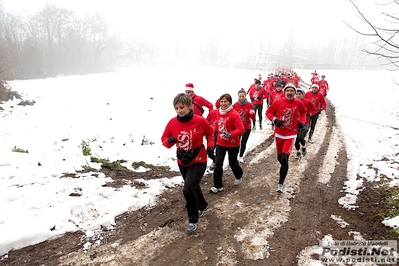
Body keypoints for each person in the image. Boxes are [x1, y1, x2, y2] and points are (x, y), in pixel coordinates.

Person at [161, 93, 215, 233]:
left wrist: (210, 146)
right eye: (176, 108)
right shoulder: (172, 122)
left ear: (190, 106)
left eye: (182, 107)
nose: (179, 110)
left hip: (198, 159)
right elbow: (164, 139)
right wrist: (170, 141)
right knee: (192, 186)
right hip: (182, 160)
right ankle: (202, 205)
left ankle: (193, 219)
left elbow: (210, 133)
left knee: (187, 189)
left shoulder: (200, 121)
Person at [266, 83, 306, 193]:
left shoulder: (299, 102)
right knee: (280, 158)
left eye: (291, 91)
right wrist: (275, 120)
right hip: (279, 134)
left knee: (284, 158)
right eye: (287, 91)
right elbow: (268, 112)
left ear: (294, 92)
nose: (289, 93)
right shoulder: (278, 101)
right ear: (285, 92)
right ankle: (285, 167)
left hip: (291, 134)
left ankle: (280, 184)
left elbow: (303, 112)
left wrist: (302, 122)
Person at [210, 93, 245, 194]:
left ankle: (239, 175)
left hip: (233, 143)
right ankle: (218, 186)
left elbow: (241, 129)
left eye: (226, 101)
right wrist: (213, 131)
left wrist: (231, 134)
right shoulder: (217, 113)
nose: (224, 103)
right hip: (220, 143)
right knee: (218, 164)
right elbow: (217, 124)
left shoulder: (234, 114)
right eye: (222, 101)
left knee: (232, 162)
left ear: (230, 102)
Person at [293, 88, 318, 159]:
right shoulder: (293, 102)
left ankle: (303, 147)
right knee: (296, 139)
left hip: (305, 123)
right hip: (295, 124)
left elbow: (314, 110)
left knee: (300, 137)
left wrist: (310, 114)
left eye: (299, 94)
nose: (298, 95)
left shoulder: (307, 102)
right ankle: (298, 152)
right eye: (296, 94)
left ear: (302, 95)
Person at [233, 88, 255, 163]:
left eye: (243, 96)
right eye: (240, 96)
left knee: (243, 142)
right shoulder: (235, 105)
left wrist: (252, 114)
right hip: (238, 128)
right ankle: (235, 156)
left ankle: (241, 156)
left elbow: (253, 118)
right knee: (236, 142)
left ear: (245, 96)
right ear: (238, 97)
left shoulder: (249, 105)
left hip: (246, 127)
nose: (241, 98)